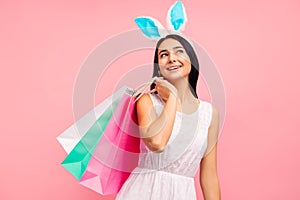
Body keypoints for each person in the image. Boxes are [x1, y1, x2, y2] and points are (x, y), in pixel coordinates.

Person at [115, 34, 221, 200]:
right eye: (164, 55)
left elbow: (210, 176)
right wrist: (173, 97)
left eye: (179, 52)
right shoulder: (146, 101)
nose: (171, 59)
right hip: (143, 192)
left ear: (192, 62)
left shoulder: (209, 114)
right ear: (158, 68)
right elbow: (157, 143)